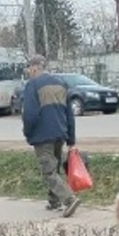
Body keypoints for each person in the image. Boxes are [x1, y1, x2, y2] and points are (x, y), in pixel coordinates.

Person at [20, 54, 80, 217]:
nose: (29, 72)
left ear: (34, 68)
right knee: (55, 167)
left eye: (29, 69)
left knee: (49, 171)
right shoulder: (61, 83)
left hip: (42, 135)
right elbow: (69, 114)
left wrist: (27, 132)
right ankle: (54, 201)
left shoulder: (33, 85)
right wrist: (71, 139)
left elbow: (29, 114)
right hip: (60, 132)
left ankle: (69, 199)